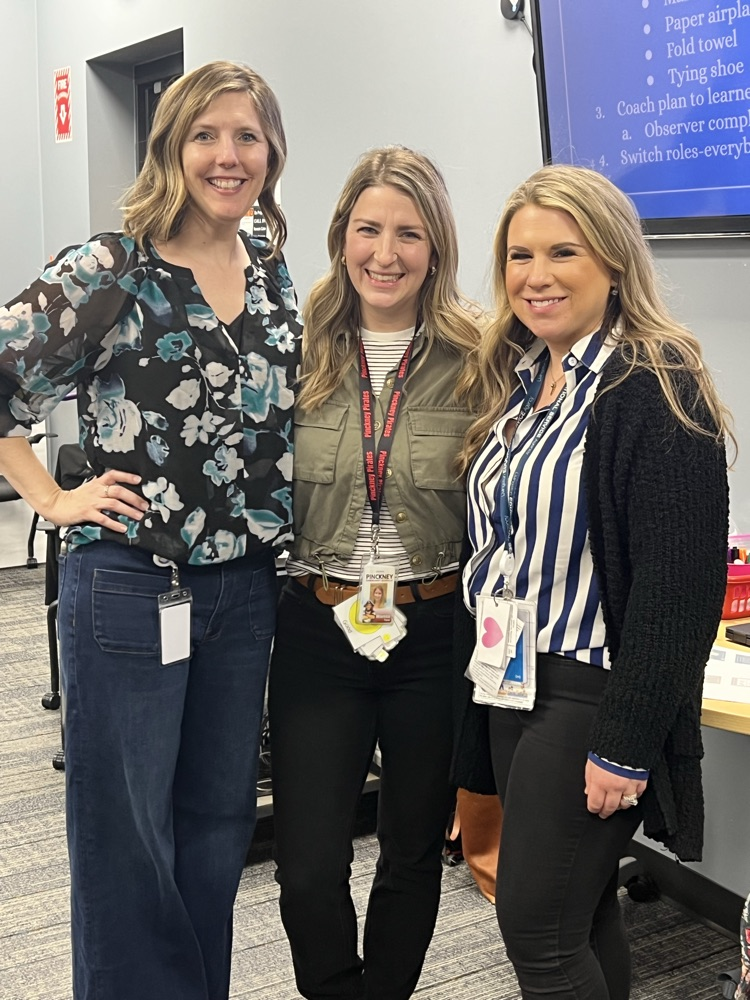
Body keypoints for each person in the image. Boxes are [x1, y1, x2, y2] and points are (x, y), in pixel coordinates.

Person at [0, 60, 301, 1000]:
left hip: (245, 590)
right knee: (128, 835)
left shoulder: (271, 262)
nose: (227, 155)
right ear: (170, 145)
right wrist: (52, 499)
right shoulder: (111, 266)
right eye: (204, 134)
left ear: (271, 152)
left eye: (247, 135)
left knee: (217, 827)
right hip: (130, 586)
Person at [451, 164, 731, 999]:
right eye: (519, 255)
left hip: (589, 694)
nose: (535, 276)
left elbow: (680, 592)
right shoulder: (523, 379)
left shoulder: (653, 384)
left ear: (613, 263)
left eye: (562, 252)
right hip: (513, 681)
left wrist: (626, 740)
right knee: (580, 916)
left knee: (535, 930)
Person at [268, 145, 483, 1000]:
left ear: (436, 247)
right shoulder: (294, 347)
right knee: (308, 866)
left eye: (408, 233)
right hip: (319, 624)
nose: (385, 253)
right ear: (340, 236)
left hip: (435, 629)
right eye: (368, 229)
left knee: (410, 852)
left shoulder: (480, 355)